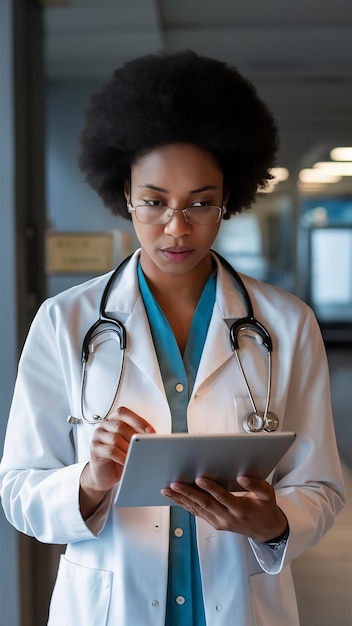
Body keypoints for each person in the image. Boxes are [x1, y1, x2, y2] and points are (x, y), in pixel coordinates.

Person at [0, 50, 345, 626]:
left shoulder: (286, 324)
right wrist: (89, 482)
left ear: (228, 199)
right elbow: (18, 491)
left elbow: (322, 488)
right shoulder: (65, 322)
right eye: (155, 202)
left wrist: (274, 520)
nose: (177, 227)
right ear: (124, 195)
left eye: (200, 203)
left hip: (241, 605)